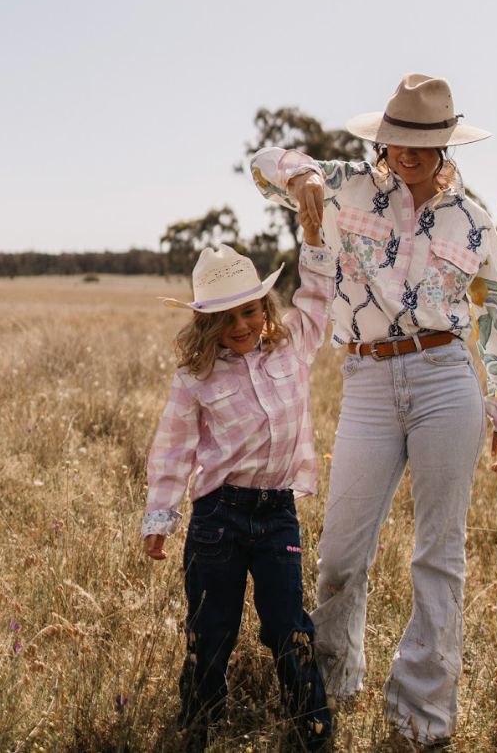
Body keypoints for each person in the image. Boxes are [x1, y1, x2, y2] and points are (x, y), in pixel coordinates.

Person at [250, 73, 497, 750]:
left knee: (439, 554)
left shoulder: (473, 221)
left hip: (445, 379)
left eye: (419, 145)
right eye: (394, 141)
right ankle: (327, 688)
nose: (403, 155)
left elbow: (495, 314)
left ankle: (421, 717)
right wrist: (301, 184)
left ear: (444, 146)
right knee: (343, 549)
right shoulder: (348, 182)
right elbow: (261, 164)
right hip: (369, 380)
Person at [141, 218, 335, 752]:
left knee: (287, 625)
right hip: (217, 519)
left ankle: (311, 728)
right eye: (225, 318)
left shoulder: (292, 345)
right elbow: (173, 450)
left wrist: (314, 240)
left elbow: (318, 297)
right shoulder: (196, 378)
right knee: (211, 629)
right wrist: (161, 517)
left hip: (277, 514)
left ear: (264, 306)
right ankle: (198, 723)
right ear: (206, 324)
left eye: (249, 310)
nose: (241, 326)